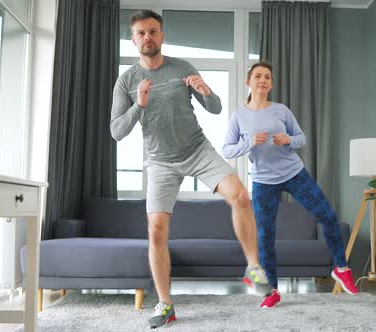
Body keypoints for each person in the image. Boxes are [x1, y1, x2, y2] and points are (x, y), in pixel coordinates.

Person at [110, 10, 270, 328]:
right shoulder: (126, 80)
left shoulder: (182, 67)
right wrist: (139, 104)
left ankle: (253, 267)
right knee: (156, 230)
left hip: (197, 149)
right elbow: (116, 131)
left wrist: (205, 90)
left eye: (152, 31)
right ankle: (166, 304)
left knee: (240, 195)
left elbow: (216, 108)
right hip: (159, 161)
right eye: (141, 33)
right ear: (134, 39)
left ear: (162, 35)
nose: (147, 37)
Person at [222, 61, 359, 309]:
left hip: (295, 174)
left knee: (328, 216)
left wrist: (288, 140)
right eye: (258, 76)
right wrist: (250, 142)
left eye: (267, 77)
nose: (263, 80)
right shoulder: (238, 116)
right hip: (263, 182)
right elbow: (227, 150)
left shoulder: (281, 110)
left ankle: (341, 268)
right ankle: (272, 291)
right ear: (248, 82)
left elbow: (301, 138)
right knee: (266, 237)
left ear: (271, 84)